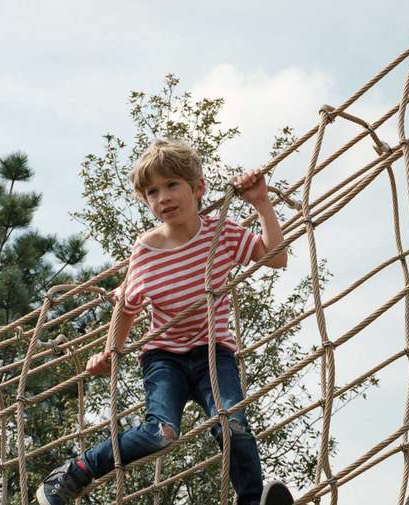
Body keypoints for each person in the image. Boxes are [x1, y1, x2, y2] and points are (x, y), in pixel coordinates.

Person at [36, 140, 295, 505]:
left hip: (213, 353)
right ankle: (76, 471)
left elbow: (276, 257)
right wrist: (110, 351)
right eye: (152, 192)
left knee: (232, 421)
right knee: (161, 433)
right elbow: (127, 306)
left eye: (172, 185)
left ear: (198, 188)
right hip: (164, 358)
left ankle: (252, 500)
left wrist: (261, 203)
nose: (163, 198)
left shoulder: (220, 233)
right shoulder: (146, 249)